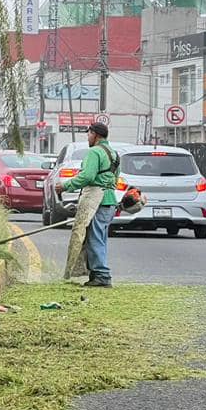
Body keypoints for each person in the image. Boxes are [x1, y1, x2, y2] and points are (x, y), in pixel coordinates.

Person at [56, 122, 118, 288]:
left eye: (89, 134)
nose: (88, 137)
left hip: (97, 201)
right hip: (110, 200)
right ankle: (95, 273)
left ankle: (102, 275)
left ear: (96, 135)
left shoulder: (95, 152)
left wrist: (65, 186)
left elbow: (87, 177)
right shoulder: (113, 153)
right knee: (100, 237)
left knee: (93, 238)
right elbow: (115, 180)